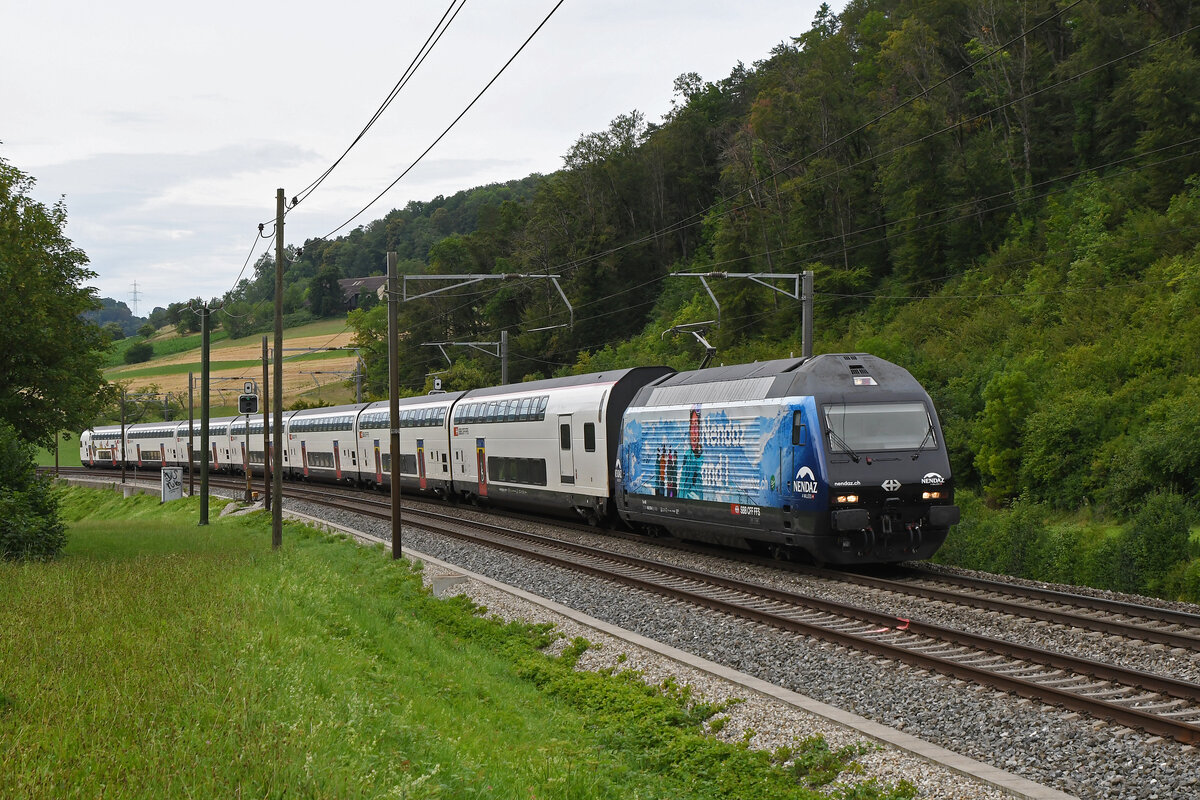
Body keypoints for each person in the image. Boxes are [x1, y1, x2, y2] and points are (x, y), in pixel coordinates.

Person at [678, 406, 704, 499]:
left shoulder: (701, 459)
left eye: (696, 425)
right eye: (692, 425)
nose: (693, 431)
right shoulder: (687, 454)